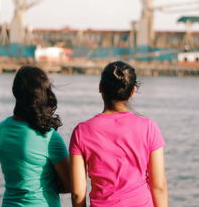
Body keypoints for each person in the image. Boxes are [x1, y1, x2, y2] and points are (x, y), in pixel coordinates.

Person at [69, 61, 168, 207]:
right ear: (133, 91)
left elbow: (78, 193)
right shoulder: (149, 128)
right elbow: (159, 185)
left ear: (100, 87)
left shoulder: (81, 132)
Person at [0, 66, 70, 207]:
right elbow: (70, 184)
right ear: (43, 94)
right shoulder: (49, 137)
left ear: (15, 91)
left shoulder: (0, 130)